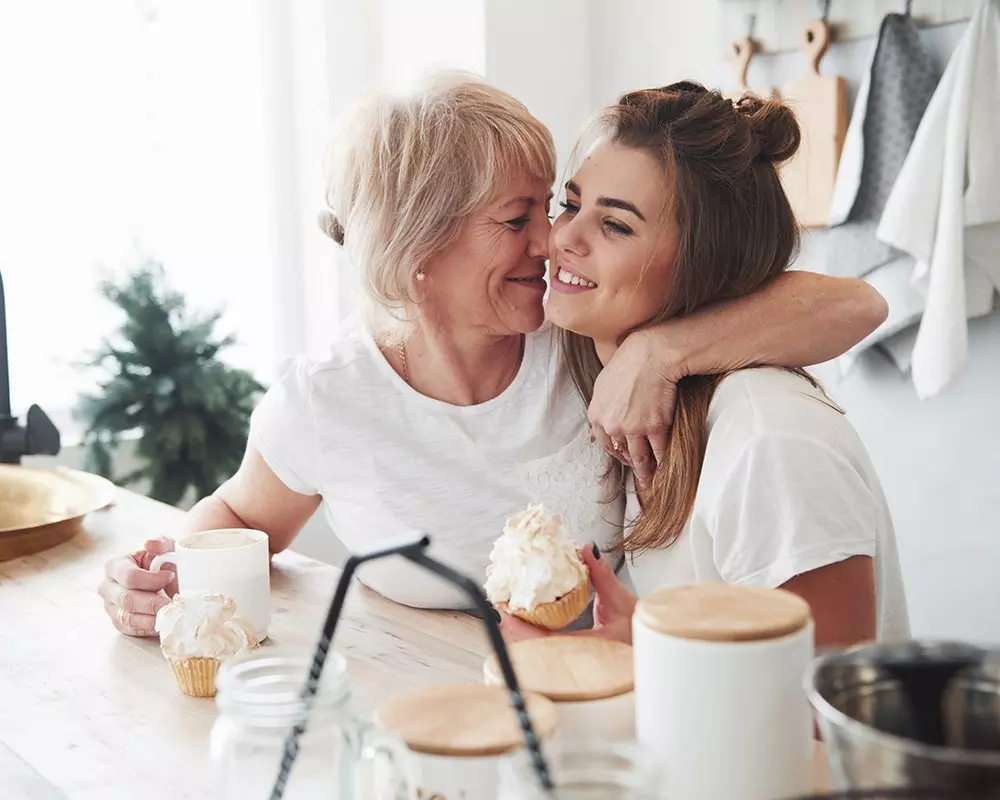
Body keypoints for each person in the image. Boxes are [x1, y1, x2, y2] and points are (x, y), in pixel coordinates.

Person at [98, 73, 888, 637]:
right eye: (522, 218)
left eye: (554, 207)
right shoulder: (329, 397)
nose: (551, 241)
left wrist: (659, 350)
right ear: (421, 251)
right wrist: (167, 570)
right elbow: (238, 515)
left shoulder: (580, 338)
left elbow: (856, 303)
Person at [501, 82, 908, 651]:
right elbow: (735, 652)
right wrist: (634, 638)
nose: (564, 237)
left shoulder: (770, 444)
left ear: (704, 265)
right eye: (570, 205)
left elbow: (817, 705)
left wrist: (660, 349)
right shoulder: (638, 404)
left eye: (616, 225)